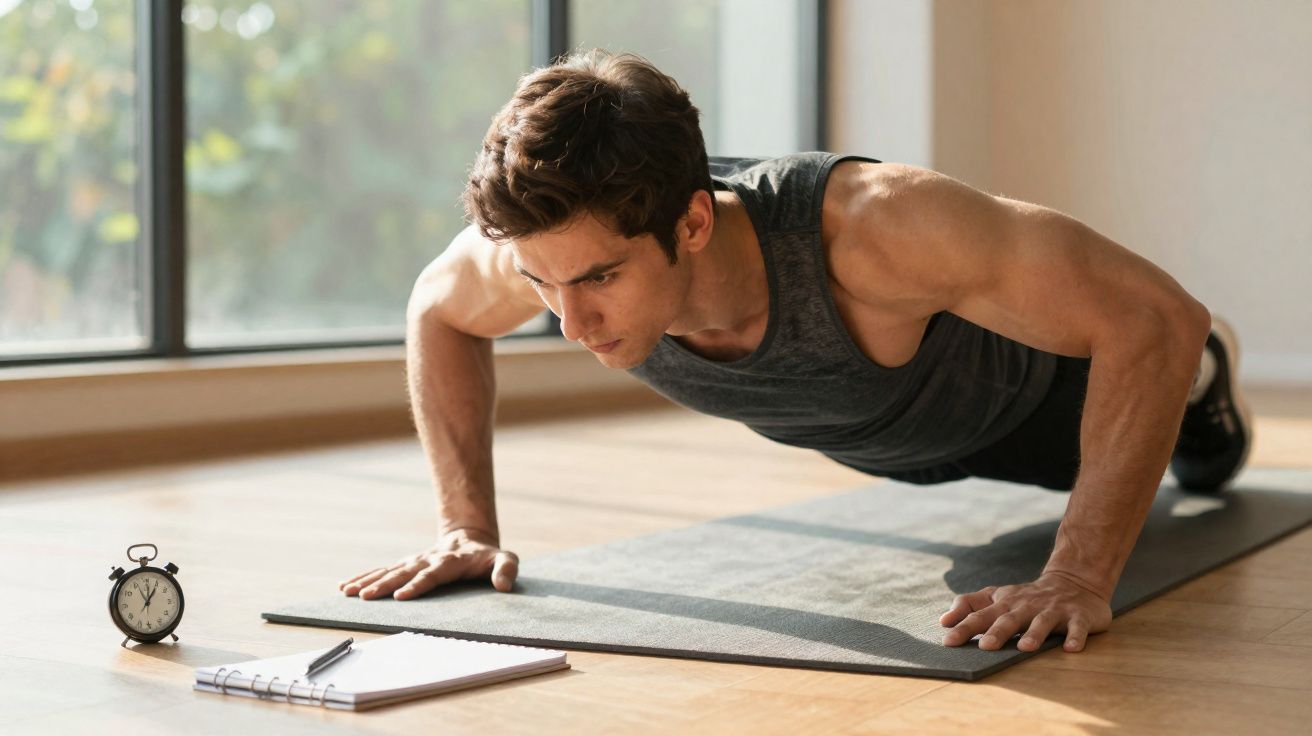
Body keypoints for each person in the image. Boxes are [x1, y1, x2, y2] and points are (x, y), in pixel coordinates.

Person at [338, 49, 1252, 655]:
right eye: (543, 286)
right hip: (894, 446)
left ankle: (1207, 388)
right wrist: (467, 526)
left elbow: (1155, 315)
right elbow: (438, 309)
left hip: (1051, 409)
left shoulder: (874, 228)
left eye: (600, 282)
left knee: (1194, 418)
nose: (569, 324)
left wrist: (1080, 574)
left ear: (692, 221)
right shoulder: (557, 245)